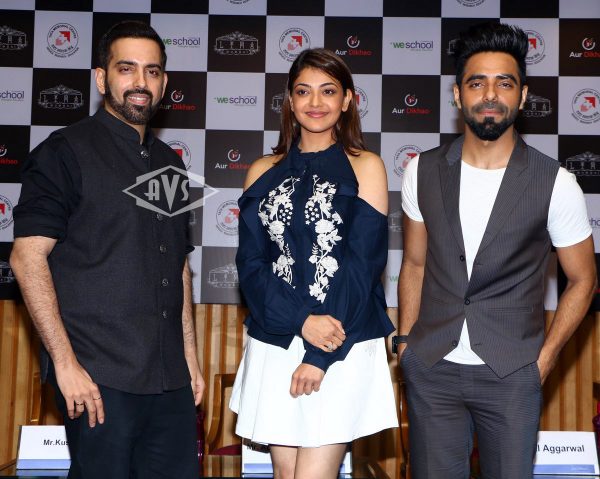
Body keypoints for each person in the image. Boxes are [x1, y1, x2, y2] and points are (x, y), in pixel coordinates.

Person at [397, 22, 596, 479]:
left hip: (512, 374)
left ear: (522, 96)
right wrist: (406, 343)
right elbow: (414, 262)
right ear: (457, 95)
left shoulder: (556, 182)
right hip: (432, 368)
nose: (490, 94)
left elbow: (584, 280)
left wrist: (542, 361)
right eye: (477, 83)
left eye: (504, 83)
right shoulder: (421, 170)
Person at [10, 21, 204, 479]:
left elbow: (177, 266)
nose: (141, 82)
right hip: (98, 378)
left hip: (169, 379)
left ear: (164, 84)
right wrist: (65, 365)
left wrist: (190, 360)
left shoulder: (170, 163)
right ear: (102, 78)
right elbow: (27, 257)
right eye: (126, 68)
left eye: (152, 71)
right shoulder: (64, 152)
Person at [230, 48, 398, 479]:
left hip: (342, 340)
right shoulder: (262, 170)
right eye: (303, 91)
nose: (315, 102)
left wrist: (319, 354)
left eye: (328, 91)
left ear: (347, 99)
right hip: (276, 338)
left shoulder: (367, 167)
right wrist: (301, 320)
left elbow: (362, 266)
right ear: (290, 100)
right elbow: (251, 264)